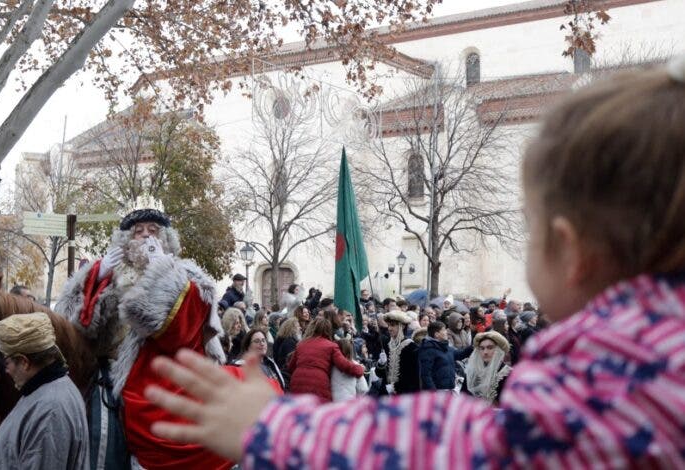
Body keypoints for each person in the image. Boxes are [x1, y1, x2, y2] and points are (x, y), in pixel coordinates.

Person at [143, 58, 685, 467]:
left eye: (531, 226)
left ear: (571, 252)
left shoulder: (618, 372)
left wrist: (277, 430)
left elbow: (464, 443)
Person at [54, 205, 228, 470]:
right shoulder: (111, 274)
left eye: (153, 230)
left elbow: (184, 329)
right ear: (126, 240)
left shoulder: (186, 274)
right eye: (139, 231)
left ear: (165, 238)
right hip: (111, 372)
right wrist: (95, 277)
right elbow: (73, 325)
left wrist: (165, 274)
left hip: (169, 373)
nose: (146, 235)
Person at [0, 313, 88, 470]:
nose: (6, 370)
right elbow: (24, 447)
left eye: (7, 362)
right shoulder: (43, 388)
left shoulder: (50, 410)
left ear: (24, 362)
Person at [287, 317, 364, 402]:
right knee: (319, 408)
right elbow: (344, 365)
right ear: (328, 330)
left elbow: (291, 367)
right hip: (318, 382)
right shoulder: (331, 346)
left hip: (297, 381)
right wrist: (359, 369)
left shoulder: (301, 344)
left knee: (299, 408)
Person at [375, 310, 420, 395]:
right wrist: (381, 364)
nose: (389, 328)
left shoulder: (411, 346)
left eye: (393, 325)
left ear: (402, 326)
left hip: (404, 394)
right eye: (388, 325)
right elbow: (380, 374)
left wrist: (396, 387)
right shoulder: (387, 344)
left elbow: (413, 376)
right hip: (386, 393)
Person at [418, 321, 472, 392]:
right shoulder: (427, 350)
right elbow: (426, 375)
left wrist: (472, 347)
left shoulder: (446, 347)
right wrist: (433, 393)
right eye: (443, 330)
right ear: (436, 334)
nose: (446, 332)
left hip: (449, 389)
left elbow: (459, 354)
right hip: (438, 392)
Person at [461, 331, 511, 405]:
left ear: (498, 350)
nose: (485, 352)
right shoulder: (472, 373)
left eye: (490, 348)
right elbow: (462, 398)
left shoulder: (507, 374)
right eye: (482, 348)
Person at [272, 317, 301, 384]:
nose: (300, 328)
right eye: (298, 326)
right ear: (292, 328)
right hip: (287, 375)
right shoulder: (289, 342)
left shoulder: (287, 340)